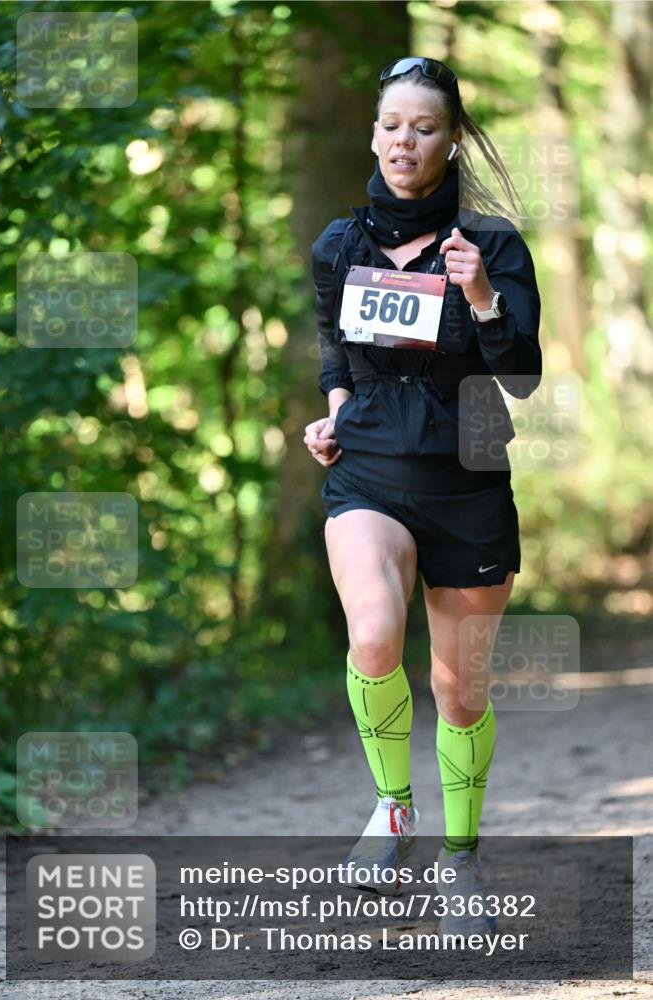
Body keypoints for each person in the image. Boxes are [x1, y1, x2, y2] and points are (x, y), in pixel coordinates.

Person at [303, 56, 542, 935]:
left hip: (468, 482)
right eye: (392, 124)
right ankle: (392, 808)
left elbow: (520, 379)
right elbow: (337, 353)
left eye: (425, 127)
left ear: (451, 141)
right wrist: (331, 415)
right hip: (366, 474)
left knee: (461, 692)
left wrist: (480, 295)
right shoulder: (339, 245)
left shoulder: (493, 245)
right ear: (373, 133)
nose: (405, 140)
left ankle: (460, 860)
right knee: (372, 633)